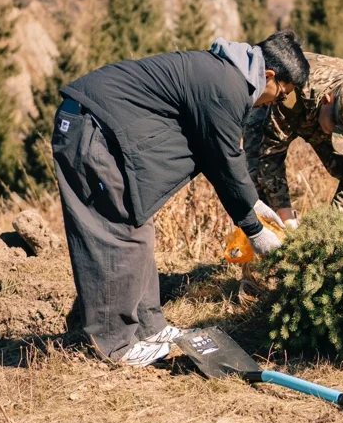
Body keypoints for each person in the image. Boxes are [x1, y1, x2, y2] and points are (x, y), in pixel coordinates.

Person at [52, 30, 309, 367]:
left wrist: (254, 206)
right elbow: (225, 158)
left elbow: (218, 156)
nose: (276, 103)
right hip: (91, 131)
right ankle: (115, 346)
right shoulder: (227, 85)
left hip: (102, 131)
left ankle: (148, 327)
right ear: (270, 76)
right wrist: (255, 231)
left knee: (137, 229)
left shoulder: (225, 76)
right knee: (114, 236)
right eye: (280, 95)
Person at [244, 52, 343, 228]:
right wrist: (286, 218)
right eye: (335, 131)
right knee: (258, 175)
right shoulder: (291, 94)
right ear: (327, 101)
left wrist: (329, 226)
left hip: (321, 111)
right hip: (275, 101)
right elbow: (270, 156)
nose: (334, 139)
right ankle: (272, 242)